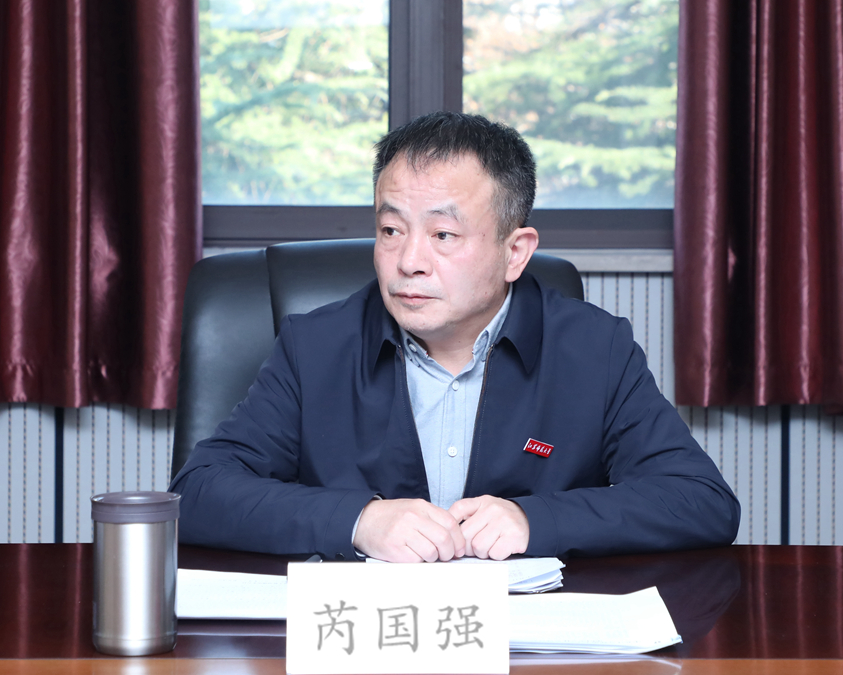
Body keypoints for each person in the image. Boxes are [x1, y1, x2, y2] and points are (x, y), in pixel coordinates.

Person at [171, 111, 740, 562]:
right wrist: (358, 520)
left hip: (525, 642)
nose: (408, 261)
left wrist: (536, 520)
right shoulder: (315, 347)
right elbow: (197, 493)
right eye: (390, 229)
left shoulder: (594, 350)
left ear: (515, 252)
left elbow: (700, 500)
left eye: (443, 234)